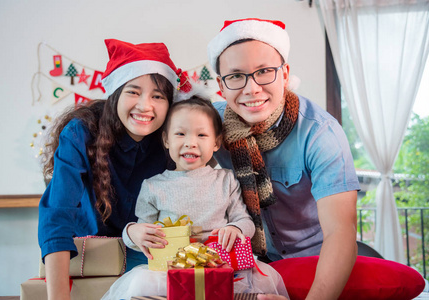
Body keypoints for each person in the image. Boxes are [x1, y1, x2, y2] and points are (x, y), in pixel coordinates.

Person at [207, 18, 360, 299]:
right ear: (221, 85)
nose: (252, 89)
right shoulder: (208, 124)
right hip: (247, 265)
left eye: (264, 71)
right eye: (236, 76)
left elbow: (341, 231)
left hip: (314, 265)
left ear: (285, 74)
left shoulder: (320, 132)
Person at [102, 97, 289, 299]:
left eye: (201, 135)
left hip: (221, 265)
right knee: (141, 285)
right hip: (172, 269)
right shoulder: (153, 186)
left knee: (245, 284)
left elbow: (246, 222)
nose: (190, 143)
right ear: (166, 140)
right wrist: (133, 232)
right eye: (180, 134)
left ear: (216, 142)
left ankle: (243, 296)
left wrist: (235, 228)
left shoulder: (225, 179)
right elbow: (141, 234)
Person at [38, 39, 180, 300]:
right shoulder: (81, 133)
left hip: (146, 264)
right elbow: (57, 213)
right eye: (133, 91)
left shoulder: (173, 139)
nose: (145, 106)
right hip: (89, 262)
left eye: (158, 96)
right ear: (115, 93)